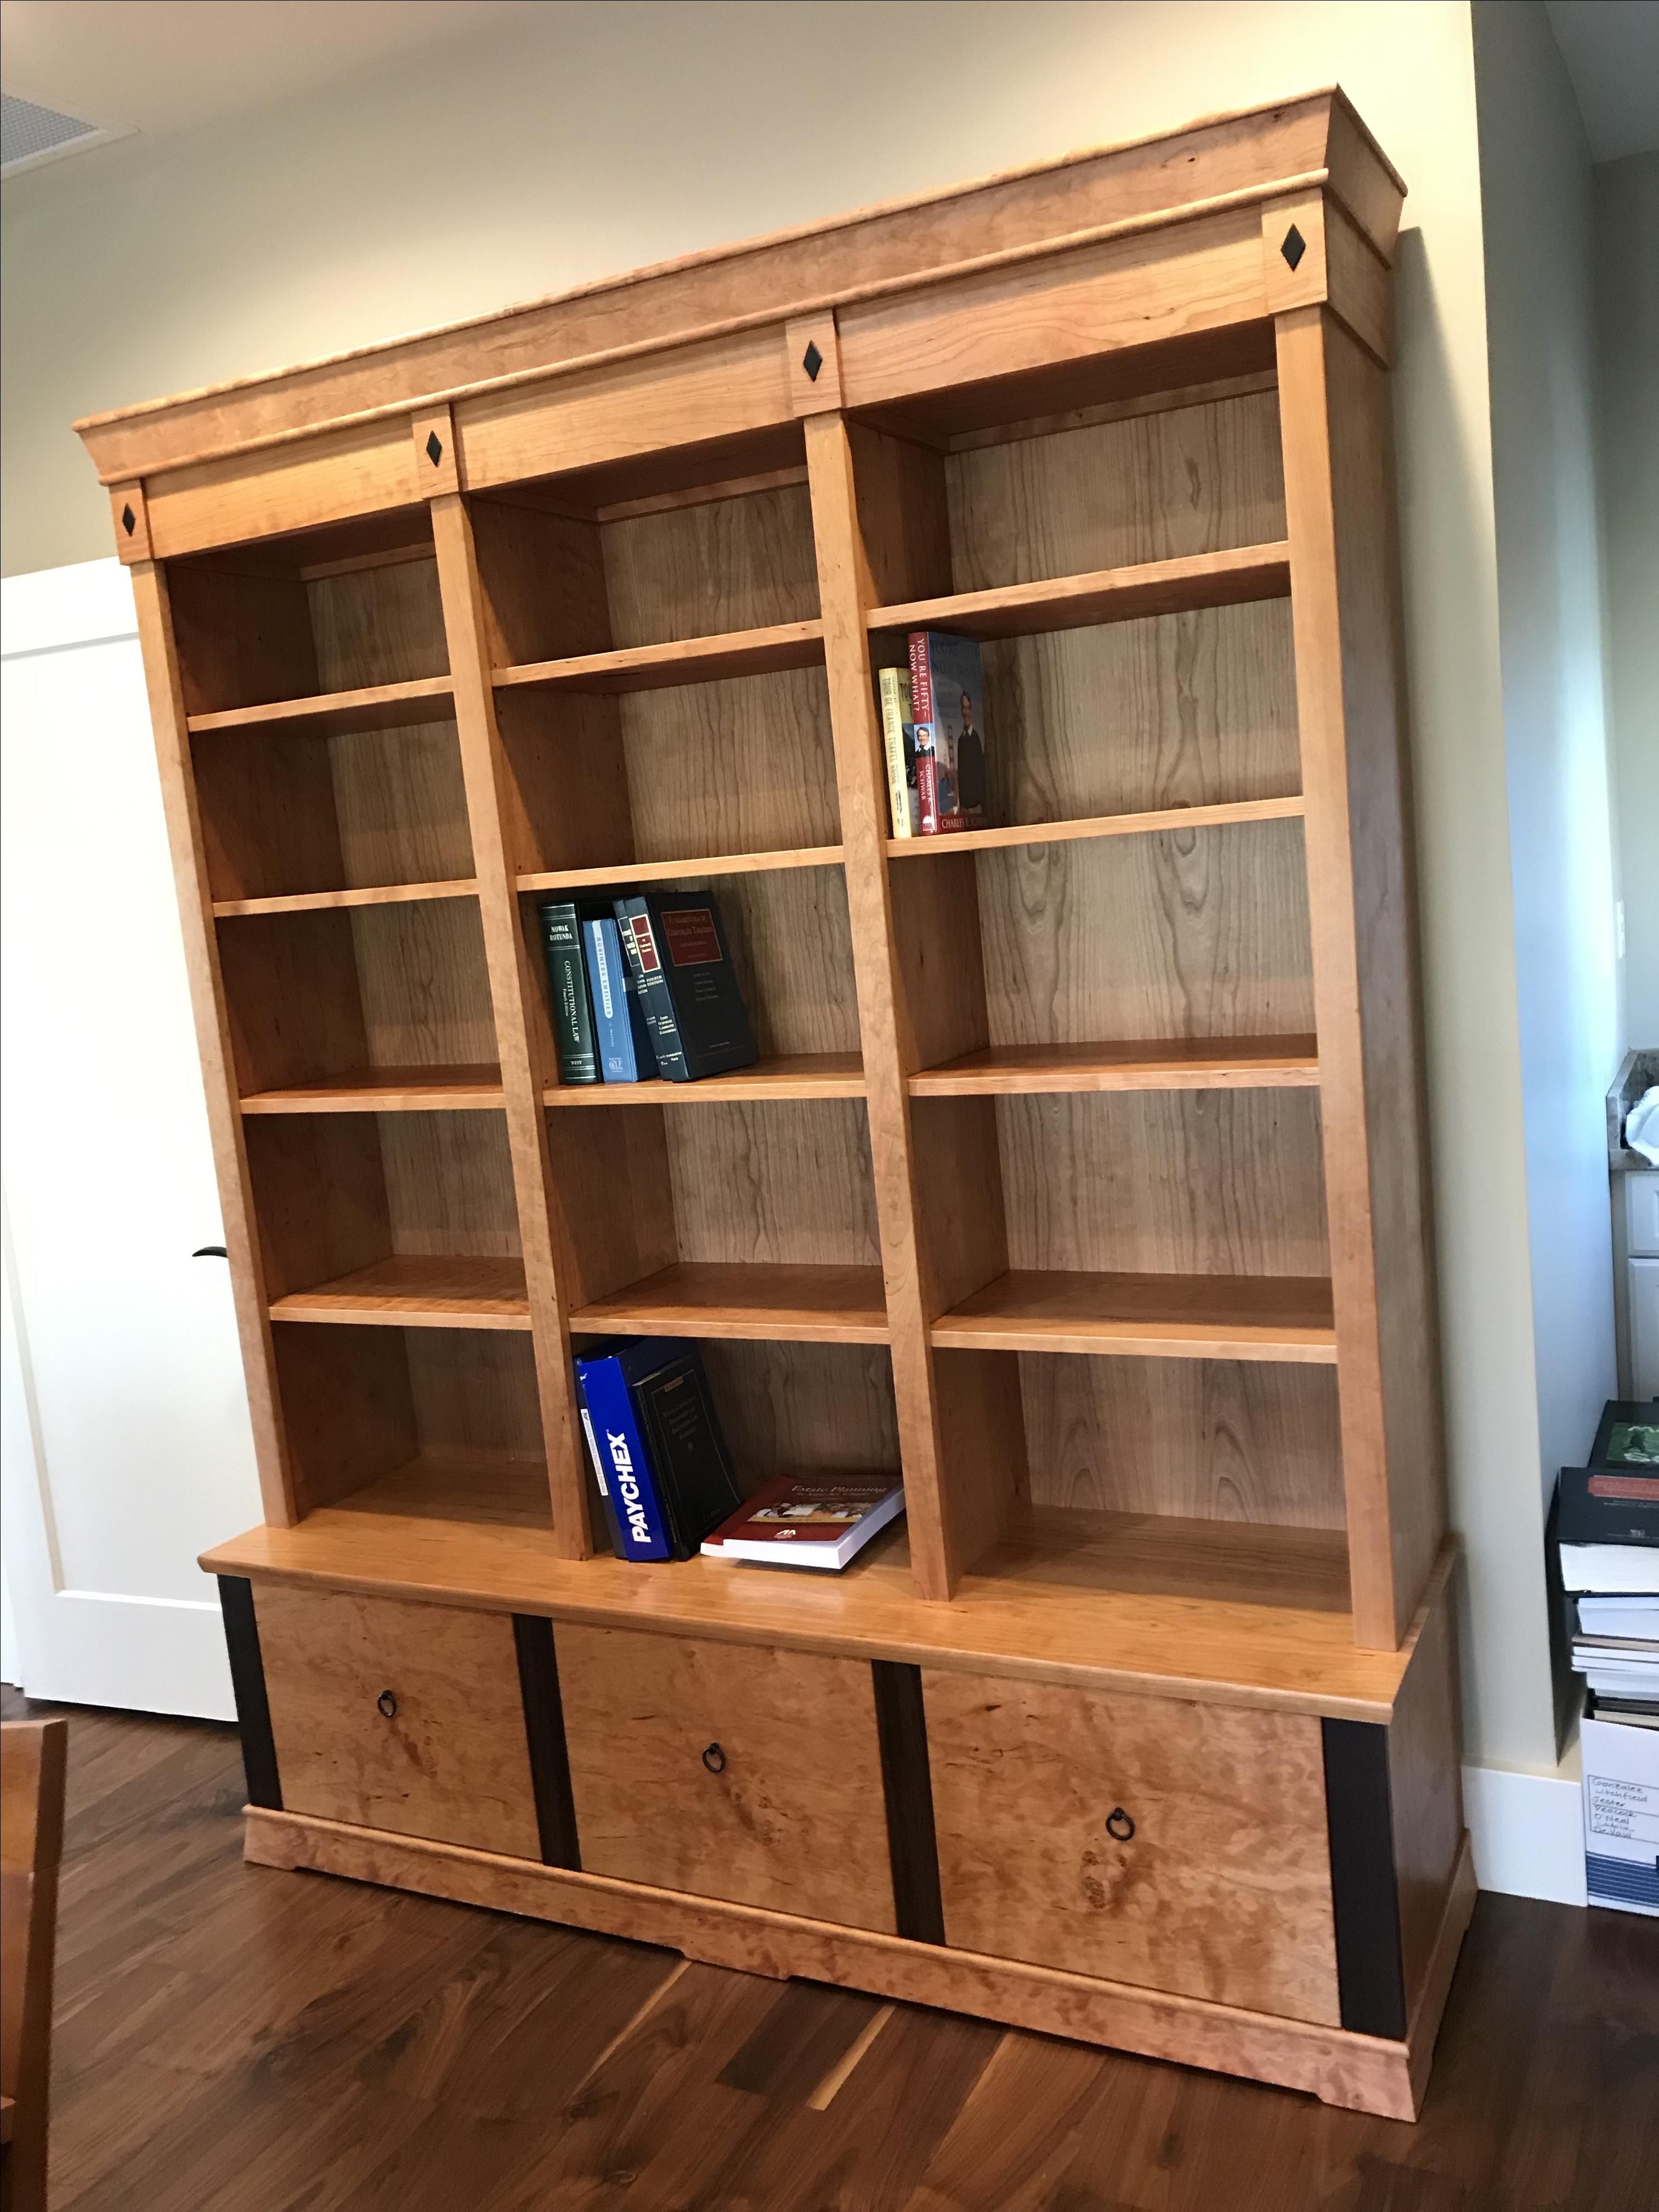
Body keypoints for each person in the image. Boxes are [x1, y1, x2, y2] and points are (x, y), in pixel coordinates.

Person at [955, 687, 986, 818]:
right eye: (963, 708)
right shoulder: (961, 740)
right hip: (965, 808)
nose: (965, 712)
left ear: (971, 710)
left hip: (977, 806)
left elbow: (981, 772)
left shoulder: (976, 738)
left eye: (968, 708)